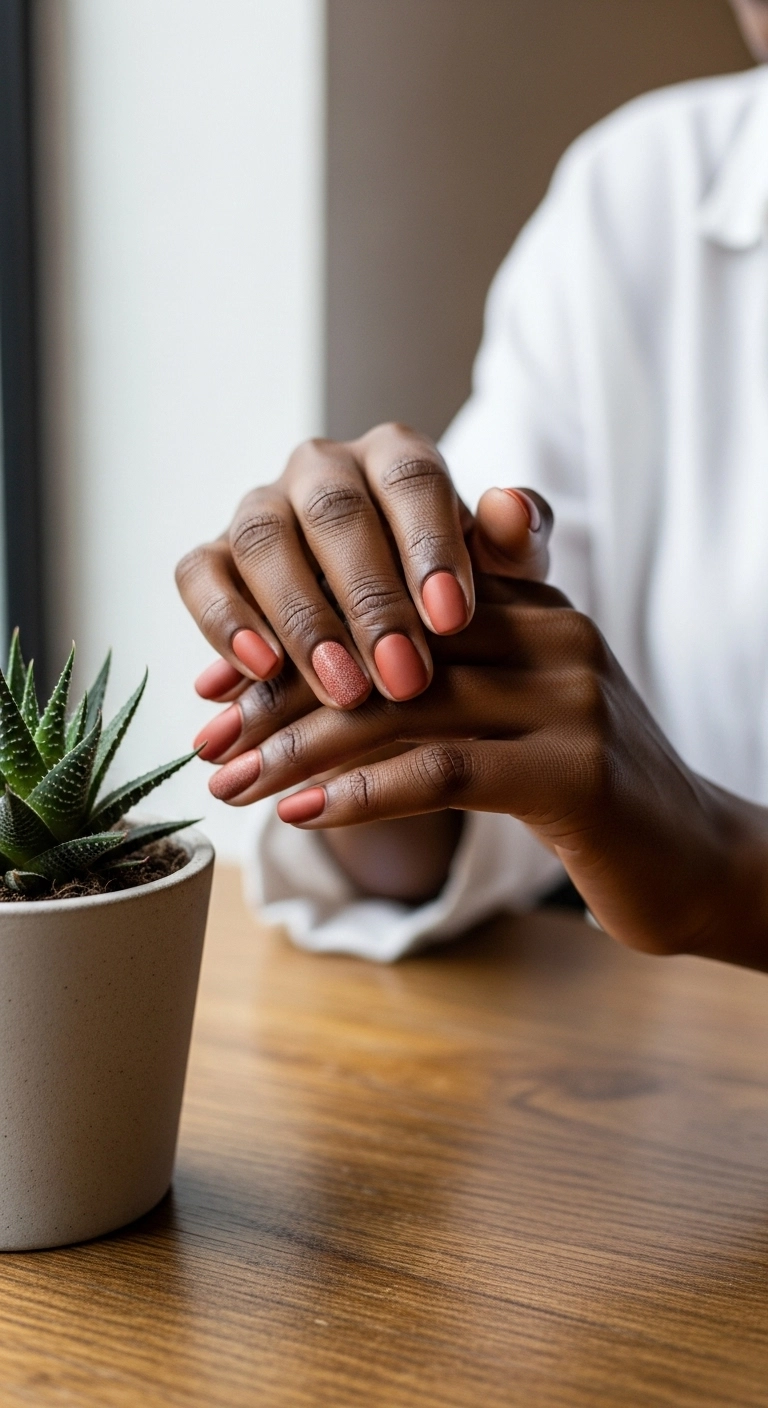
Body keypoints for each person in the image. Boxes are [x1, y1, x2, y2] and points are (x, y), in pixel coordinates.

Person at [177, 0, 768, 969]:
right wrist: (367, 683)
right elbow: (470, 795)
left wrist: (729, 873)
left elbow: (684, 862)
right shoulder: (637, 198)